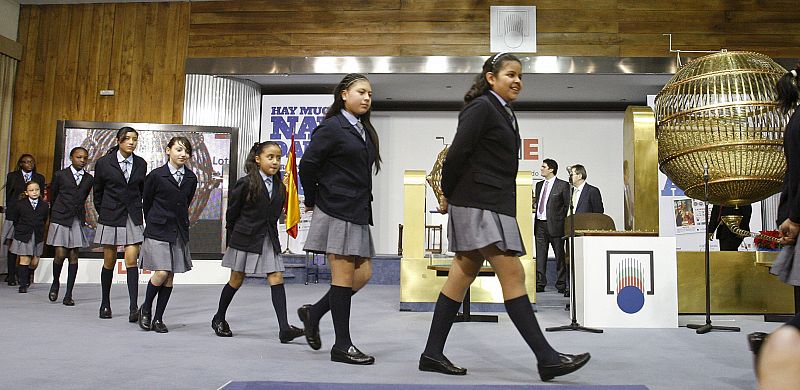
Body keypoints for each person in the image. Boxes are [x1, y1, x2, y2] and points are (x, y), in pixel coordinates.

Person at [419, 52, 589, 381]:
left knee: (460, 276)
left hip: (490, 204)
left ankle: (431, 353)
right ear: (490, 77)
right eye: (510, 74)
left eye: (520, 75)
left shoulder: (503, 110)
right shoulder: (482, 107)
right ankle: (546, 357)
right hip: (478, 203)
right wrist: (449, 194)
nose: (517, 80)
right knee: (512, 275)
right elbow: (456, 156)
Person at [297, 73, 381, 365]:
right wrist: (313, 198)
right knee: (343, 278)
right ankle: (342, 346)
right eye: (361, 92)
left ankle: (314, 312)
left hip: (357, 210)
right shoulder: (332, 127)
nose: (367, 98)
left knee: (364, 274)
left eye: (370, 93)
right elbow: (307, 165)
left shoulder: (364, 130)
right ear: (344, 94)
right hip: (336, 208)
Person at [211, 141, 304, 342]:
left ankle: (284, 329)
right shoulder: (245, 183)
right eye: (270, 157)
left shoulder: (280, 185)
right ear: (257, 159)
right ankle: (218, 318)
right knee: (236, 279)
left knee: (276, 277)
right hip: (244, 238)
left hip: (268, 237)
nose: (275, 162)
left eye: (278, 158)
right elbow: (232, 213)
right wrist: (231, 239)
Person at [750, 65, 800, 388]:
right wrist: (794, 217)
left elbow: (791, 176)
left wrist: (790, 214)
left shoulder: (794, 121)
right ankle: (775, 344)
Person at [136, 137, 197, 333]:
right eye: (179, 149)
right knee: (161, 272)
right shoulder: (155, 176)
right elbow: (147, 203)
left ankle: (159, 318)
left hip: (178, 230)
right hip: (157, 229)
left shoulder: (191, 178)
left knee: (170, 277)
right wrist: (155, 220)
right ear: (168, 150)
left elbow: (185, 203)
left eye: (186, 151)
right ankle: (145, 308)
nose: (183, 154)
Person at [93, 126, 146, 321]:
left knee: (132, 260)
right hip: (110, 215)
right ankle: (105, 304)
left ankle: (134, 308)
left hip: (132, 215)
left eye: (134, 139)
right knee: (109, 261)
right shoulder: (104, 163)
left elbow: (142, 191)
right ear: (118, 140)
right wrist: (105, 212)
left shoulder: (141, 163)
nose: (131, 142)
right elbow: (97, 192)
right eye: (127, 138)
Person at [46, 147, 94, 305]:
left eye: (85, 158)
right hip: (60, 217)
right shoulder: (61, 175)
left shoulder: (88, 178)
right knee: (60, 254)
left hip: (76, 218)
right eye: (79, 157)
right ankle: (55, 283)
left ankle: (68, 294)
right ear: (71, 158)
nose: (82, 160)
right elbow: (53, 194)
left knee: (74, 255)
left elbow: (84, 197)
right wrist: (55, 213)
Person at [3, 154, 45, 286]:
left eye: (31, 162)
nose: (29, 164)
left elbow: (42, 196)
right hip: (14, 214)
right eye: (26, 162)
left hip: (31, 216)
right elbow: (9, 196)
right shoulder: (13, 176)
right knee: (13, 245)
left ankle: (25, 276)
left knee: (29, 245)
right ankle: (10, 275)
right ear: (21, 164)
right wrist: (10, 213)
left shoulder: (39, 177)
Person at [534, 158, 570, 293]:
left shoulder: (563, 185)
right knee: (540, 256)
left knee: (560, 256)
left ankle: (561, 284)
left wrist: (563, 223)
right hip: (540, 225)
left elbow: (567, 206)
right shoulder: (538, 185)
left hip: (556, 226)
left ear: (551, 169)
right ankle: (540, 283)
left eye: (544, 167)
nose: (541, 169)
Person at [10, 181, 49, 293]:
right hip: (23, 234)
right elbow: (15, 219)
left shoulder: (44, 205)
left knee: (34, 261)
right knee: (25, 259)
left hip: (38, 234)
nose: (34, 192)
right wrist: (20, 229)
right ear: (26, 192)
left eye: (36, 190)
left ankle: (27, 274)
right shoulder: (20, 204)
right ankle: (23, 284)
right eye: (31, 190)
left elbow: (45, 219)